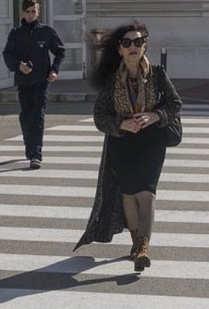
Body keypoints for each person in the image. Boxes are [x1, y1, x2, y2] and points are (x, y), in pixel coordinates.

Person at [74, 21, 181, 271]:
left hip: (152, 142)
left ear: (145, 46)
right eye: (127, 43)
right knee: (129, 194)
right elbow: (100, 117)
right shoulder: (111, 82)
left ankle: (143, 248)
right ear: (119, 50)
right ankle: (135, 242)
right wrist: (121, 124)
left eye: (138, 42)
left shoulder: (158, 74)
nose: (133, 46)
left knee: (146, 193)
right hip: (122, 143)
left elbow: (175, 104)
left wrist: (155, 116)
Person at [1, 0, 66, 169]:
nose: (31, 15)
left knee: (38, 116)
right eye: (28, 12)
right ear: (23, 13)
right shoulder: (16, 33)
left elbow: (60, 52)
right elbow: (7, 54)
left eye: (34, 11)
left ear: (38, 12)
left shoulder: (46, 32)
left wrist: (54, 70)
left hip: (41, 82)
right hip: (24, 82)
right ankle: (29, 145)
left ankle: (36, 155)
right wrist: (18, 66)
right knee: (26, 116)